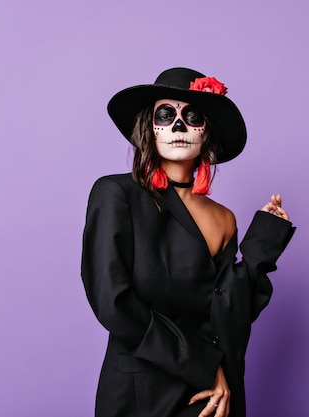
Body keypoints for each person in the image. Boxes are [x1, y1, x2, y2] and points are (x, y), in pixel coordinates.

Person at [81, 67, 295, 417]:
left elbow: (227, 316)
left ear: (206, 132)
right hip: (144, 394)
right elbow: (113, 303)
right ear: (148, 128)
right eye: (166, 116)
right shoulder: (116, 194)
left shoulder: (224, 217)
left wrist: (262, 248)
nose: (178, 127)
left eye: (191, 116)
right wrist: (203, 366)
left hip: (211, 397)